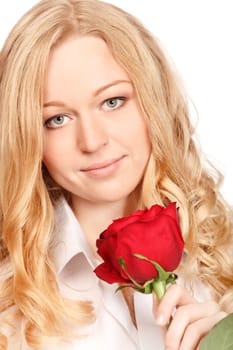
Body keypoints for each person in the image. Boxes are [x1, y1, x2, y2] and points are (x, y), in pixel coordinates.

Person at [0, 0, 232, 349]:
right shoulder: (9, 304)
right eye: (56, 119)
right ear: (27, 137)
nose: (92, 141)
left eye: (112, 101)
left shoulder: (223, 257)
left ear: (154, 100)